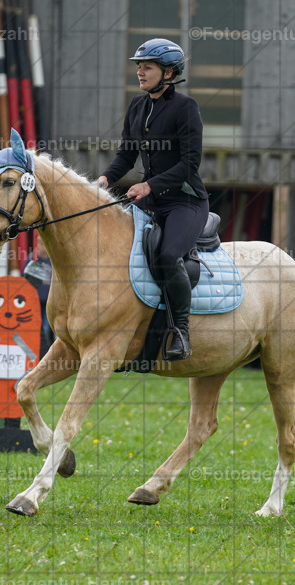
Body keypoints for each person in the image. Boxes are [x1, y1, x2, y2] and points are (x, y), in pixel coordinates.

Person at [97, 38, 208, 361]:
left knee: (168, 255)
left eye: (147, 67)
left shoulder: (186, 108)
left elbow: (190, 164)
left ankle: (180, 332)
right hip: (152, 201)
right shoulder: (137, 106)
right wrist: (104, 179)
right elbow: (126, 155)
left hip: (185, 202)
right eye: (138, 67)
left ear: (168, 73)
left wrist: (148, 186)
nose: (140, 73)